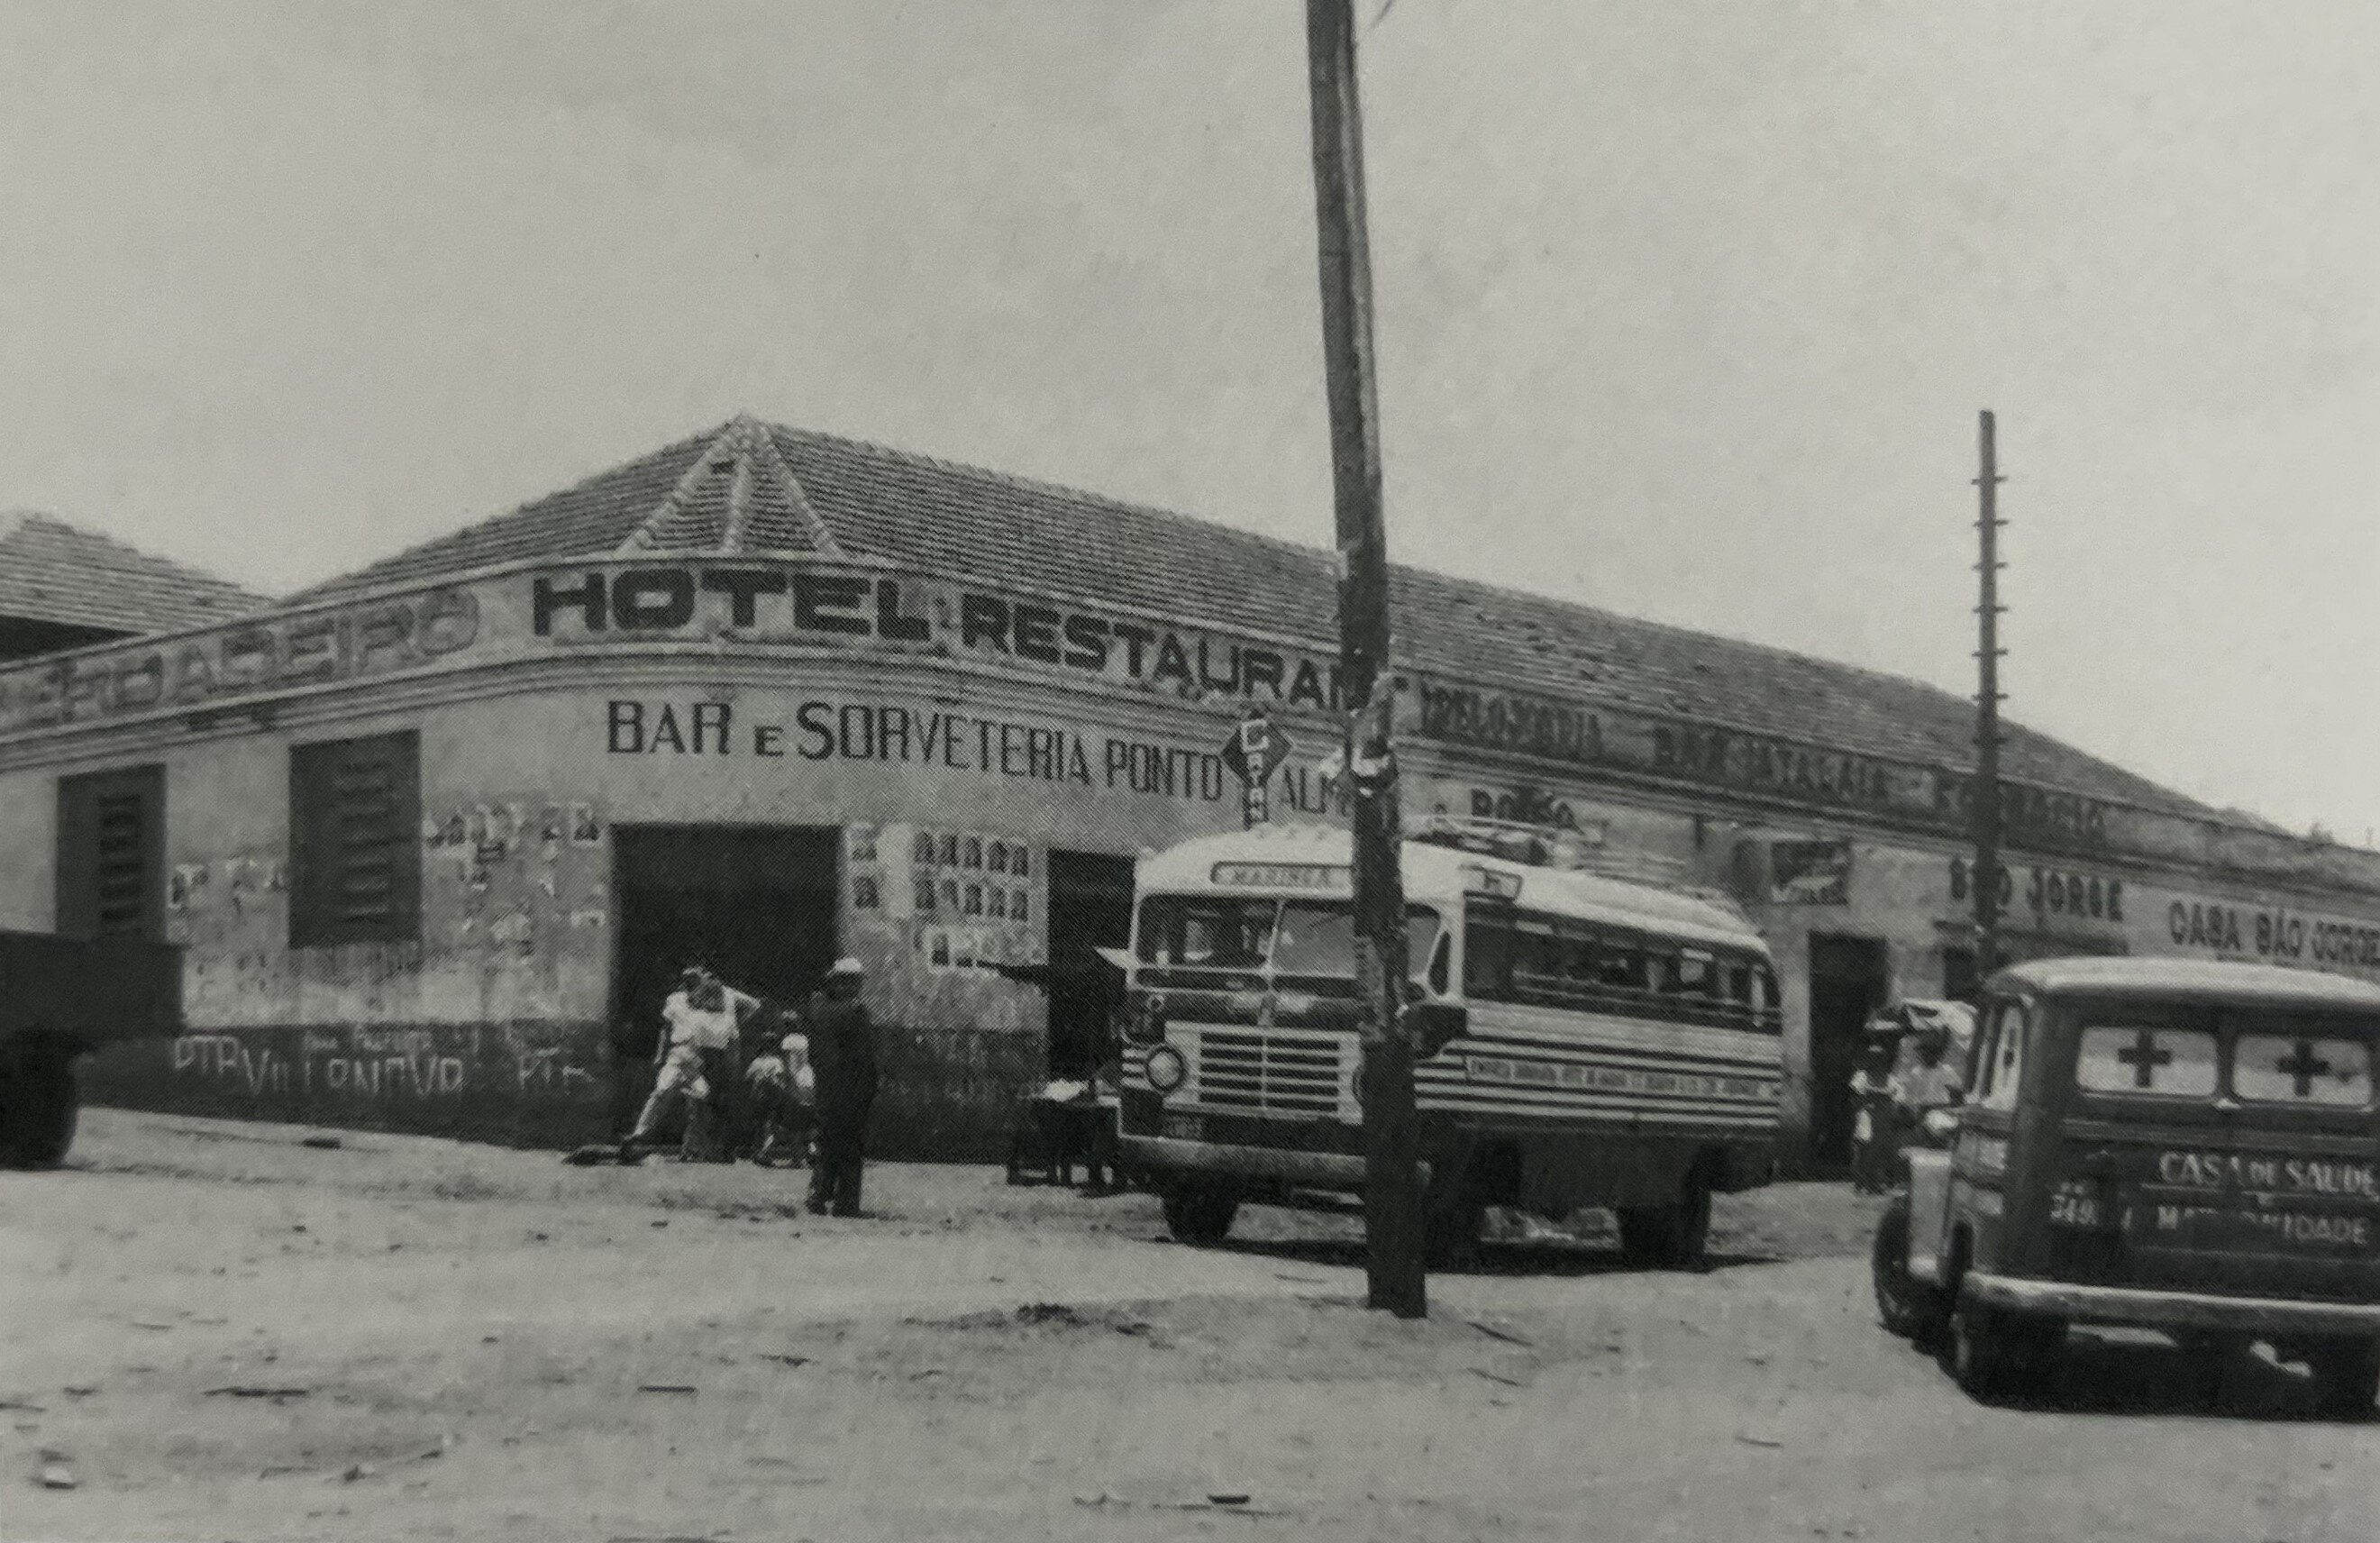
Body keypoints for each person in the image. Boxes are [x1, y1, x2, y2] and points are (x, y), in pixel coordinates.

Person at [621, 964, 750, 1162]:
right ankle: (637, 1136)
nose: (694, 985)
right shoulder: (675, 1000)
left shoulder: (708, 1004)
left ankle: (693, 1148)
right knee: (662, 1092)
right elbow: (666, 1027)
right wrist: (659, 1054)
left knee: (702, 1097)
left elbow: (724, 1025)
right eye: (690, 981)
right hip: (678, 1055)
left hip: (695, 1060)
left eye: (697, 981)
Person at [805, 957, 878, 1216]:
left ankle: (818, 1193)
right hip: (851, 1088)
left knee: (827, 1143)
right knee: (850, 1146)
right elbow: (865, 1057)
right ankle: (846, 1202)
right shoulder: (856, 1011)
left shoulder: (817, 1007)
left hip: (825, 1086)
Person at [1848, 1035, 1901, 1193]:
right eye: (1873, 1057)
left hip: (1883, 1118)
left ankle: (1874, 1181)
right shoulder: (1861, 1076)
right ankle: (1861, 1179)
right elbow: (1857, 1096)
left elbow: (1897, 1097)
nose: (1876, 1061)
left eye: (1879, 1058)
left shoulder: (1891, 1078)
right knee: (1864, 1147)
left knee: (1880, 1150)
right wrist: (1881, 1095)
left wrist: (1875, 1095)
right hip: (1866, 1115)